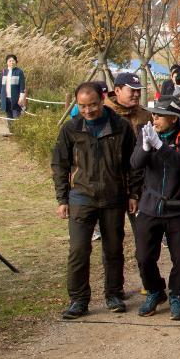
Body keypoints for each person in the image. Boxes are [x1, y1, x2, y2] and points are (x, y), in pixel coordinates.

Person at [52, 81, 136, 319]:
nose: (88, 111)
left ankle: (114, 294)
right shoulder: (70, 129)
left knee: (113, 249)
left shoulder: (121, 126)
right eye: (82, 106)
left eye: (92, 105)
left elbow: (133, 164)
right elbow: (60, 164)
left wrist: (133, 194)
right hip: (81, 197)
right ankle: (78, 300)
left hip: (114, 196)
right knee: (78, 250)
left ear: (102, 100)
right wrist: (62, 198)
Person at [132, 94, 180, 321]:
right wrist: (145, 147)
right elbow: (135, 164)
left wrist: (160, 146)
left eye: (161, 115)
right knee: (143, 256)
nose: (155, 119)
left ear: (173, 118)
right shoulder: (147, 133)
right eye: (154, 115)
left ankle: (177, 295)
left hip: (178, 208)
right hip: (150, 206)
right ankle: (154, 290)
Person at [0, 54, 27, 120]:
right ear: (7, 62)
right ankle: (10, 130)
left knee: (16, 117)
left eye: (13, 61)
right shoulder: (3, 72)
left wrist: (21, 98)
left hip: (15, 99)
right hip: (6, 98)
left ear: (16, 62)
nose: (11, 62)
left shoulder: (19, 72)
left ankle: (16, 130)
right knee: (9, 117)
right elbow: (0, 85)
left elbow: (22, 86)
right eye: (10, 61)